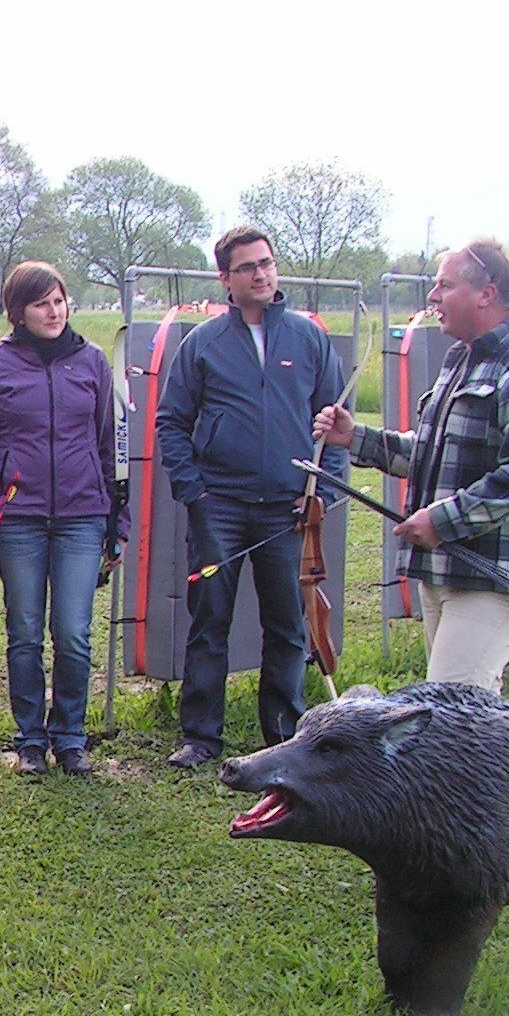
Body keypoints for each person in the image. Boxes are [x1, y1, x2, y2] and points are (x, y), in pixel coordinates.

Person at [314, 239, 509, 692]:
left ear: (486, 293)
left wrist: (442, 520)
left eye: (445, 285)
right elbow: (434, 452)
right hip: (446, 569)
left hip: (498, 576)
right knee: (464, 711)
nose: (432, 297)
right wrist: (356, 438)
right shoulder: (462, 357)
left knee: (452, 709)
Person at [154, 225, 345, 771]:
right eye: (247, 268)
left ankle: (283, 737)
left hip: (288, 510)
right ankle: (200, 738)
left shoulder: (309, 339)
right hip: (219, 507)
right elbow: (172, 422)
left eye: (266, 263)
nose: (260, 274)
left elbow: (336, 423)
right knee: (209, 619)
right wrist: (195, 491)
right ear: (226, 279)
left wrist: (324, 490)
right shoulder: (203, 344)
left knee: (287, 624)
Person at [0, 261, 123, 776]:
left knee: (73, 633)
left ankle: (70, 736)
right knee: (25, 632)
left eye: (59, 301)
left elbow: (108, 445)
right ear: (17, 312)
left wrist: (116, 524)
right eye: (40, 304)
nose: (53, 312)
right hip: (19, 519)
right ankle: (30, 737)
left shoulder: (93, 361)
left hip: (83, 516)